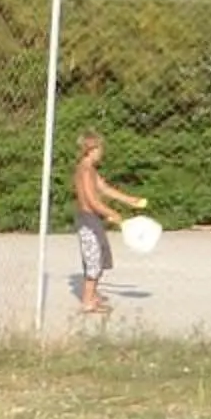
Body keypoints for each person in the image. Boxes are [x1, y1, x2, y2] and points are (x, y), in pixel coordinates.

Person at [70, 132, 148, 316]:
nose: (102, 152)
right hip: (87, 220)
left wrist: (130, 200)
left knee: (101, 256)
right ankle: (87, 302)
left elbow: (105, 189)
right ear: (91, 150)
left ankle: (93, 296)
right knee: (93, 259)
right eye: (100, 149)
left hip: (94, 219)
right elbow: (90, 200)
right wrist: (112, 214)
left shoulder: (91, 169)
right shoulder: (85, 170)